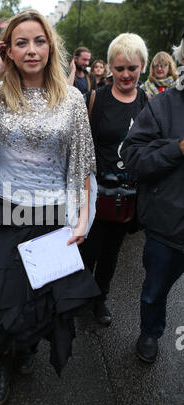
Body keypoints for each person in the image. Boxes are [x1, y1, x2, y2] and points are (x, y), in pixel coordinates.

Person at [0, 9, 100, 405]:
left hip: (51, 217)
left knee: (39, 299)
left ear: (51, 46)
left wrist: (83, 218)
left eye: (38, 41)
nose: (31, 50)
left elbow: (83, 162)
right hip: (6, 213)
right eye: (20, 43)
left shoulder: (72, 99)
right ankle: (0, 363)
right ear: (8, 50)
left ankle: (24, 350)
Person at [121, 32, 184, 364]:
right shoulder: (161, 105)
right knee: (155, 291)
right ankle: (150, 332)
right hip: (167, 228)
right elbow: (133, 158)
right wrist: (177, 149)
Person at [79, 33, 148, 326]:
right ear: (109, 67)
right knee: (88, 251)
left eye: (132, 68)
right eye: (119, 68)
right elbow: (80, 145)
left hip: (127, 198)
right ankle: (80, 300)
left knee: (111, 254)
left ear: (141, 66)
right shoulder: (96, 98)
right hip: (94, 195)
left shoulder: (147, 101)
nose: (126, 74)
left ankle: (100, 300)